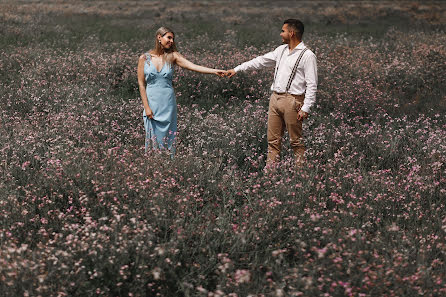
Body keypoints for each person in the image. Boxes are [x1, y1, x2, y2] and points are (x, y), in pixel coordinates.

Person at [226, 19, 317, 168]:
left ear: (291, 33)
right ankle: (271, 176)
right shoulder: (281, 50)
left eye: (283, 31)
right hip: (275, 98)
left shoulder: (307, 55)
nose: (281, 33)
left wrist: (306, 107)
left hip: (293, 101)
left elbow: (312, 84)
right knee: (273, 142)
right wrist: (237, 69)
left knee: (296, 142)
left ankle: (302, 174)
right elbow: (260, 61)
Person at [137, 26, 226, 154]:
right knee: (152, 138)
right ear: (159, 37)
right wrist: (146, 107)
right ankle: (153, 166)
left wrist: (215, 71)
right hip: (151, 103)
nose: (171, 41)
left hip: (167, 103)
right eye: (169, 37)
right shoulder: (144, 58)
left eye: (172, 39)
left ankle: (168, 163)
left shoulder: (173, 56)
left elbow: (193, 66)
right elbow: (141, 84)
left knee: (168, 138)